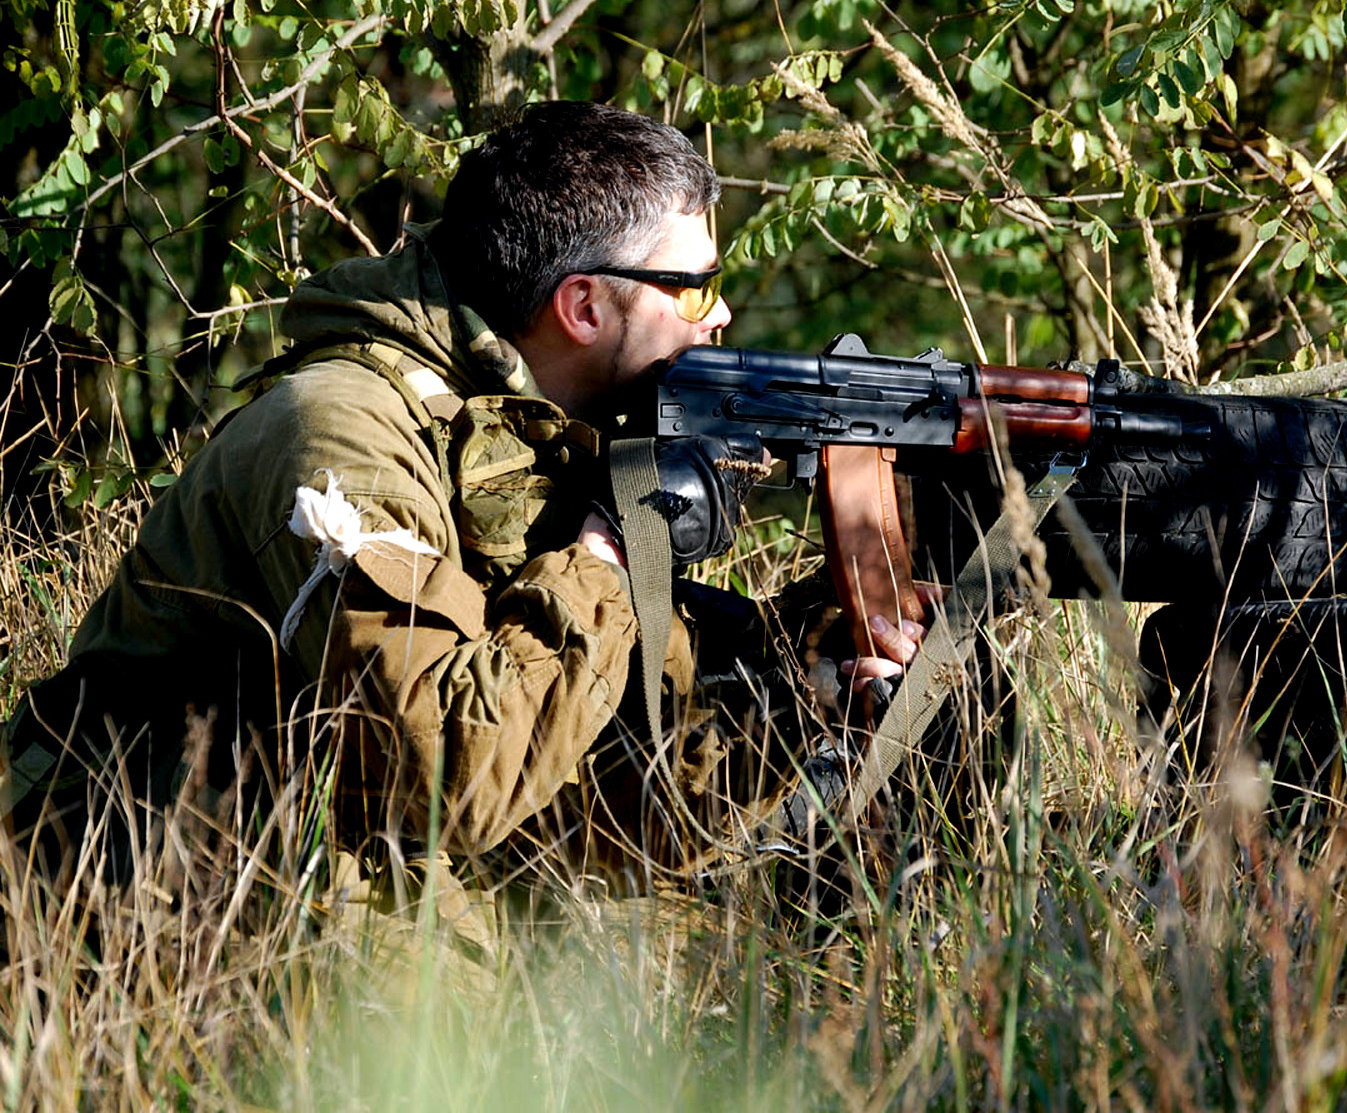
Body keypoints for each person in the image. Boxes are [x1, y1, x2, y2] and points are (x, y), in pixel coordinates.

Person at [5, 101, 918, 889]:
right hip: (135, 915)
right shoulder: (346, 432)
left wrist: (802, 692)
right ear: (585, 306)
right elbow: (447, 779)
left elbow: (576, 801)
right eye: (691, 290)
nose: (717, 316)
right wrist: (604, 551)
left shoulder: (526, 439)